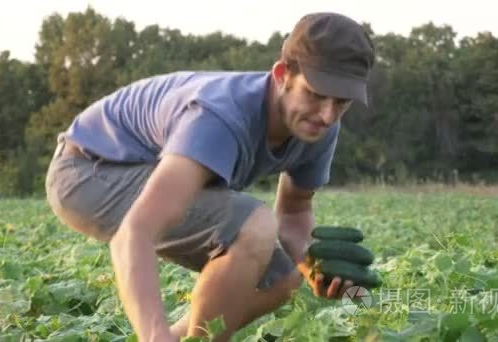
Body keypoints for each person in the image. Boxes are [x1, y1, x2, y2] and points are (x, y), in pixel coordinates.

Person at [45, 11, 375, 341]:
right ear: (281, 75)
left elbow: (294, 212)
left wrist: (315, 271)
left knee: (281, 280)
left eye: (341, 102)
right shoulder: (220, 116)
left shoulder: (319, 128)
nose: (328, 114)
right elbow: (137, 231)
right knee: (256, 225)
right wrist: (152, 334)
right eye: (315, 95)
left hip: (133, 172)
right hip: (87, 171)